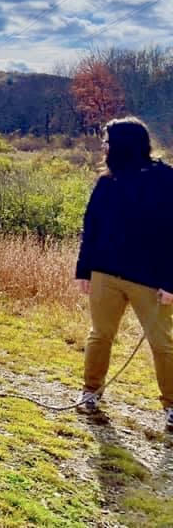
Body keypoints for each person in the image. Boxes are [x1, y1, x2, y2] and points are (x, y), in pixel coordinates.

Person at [74, 116, 173, 431]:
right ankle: (90, 392)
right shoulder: (107, 181)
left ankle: (171, 406)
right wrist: (84, 271)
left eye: (107, 141)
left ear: (123, 145)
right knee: (100, 336)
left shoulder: (166, 180)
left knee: (163, 344)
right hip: (105, 274)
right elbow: (91, 227)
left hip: (152, 281)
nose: (103, 147)